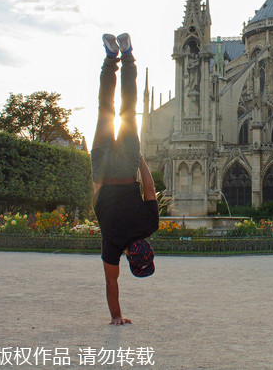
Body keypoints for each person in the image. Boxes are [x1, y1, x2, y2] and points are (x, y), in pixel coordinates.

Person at [91, 33, 159, 326]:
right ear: (130, 258)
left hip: (127, 166)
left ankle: (127, 54)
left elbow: (150, 187)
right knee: (106, 109)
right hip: (104, 171)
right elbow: (111, 283)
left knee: (128, 108)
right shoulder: (112, 243)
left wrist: (139, 159)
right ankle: (110, 58)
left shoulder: (150, 225)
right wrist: (116, 315)